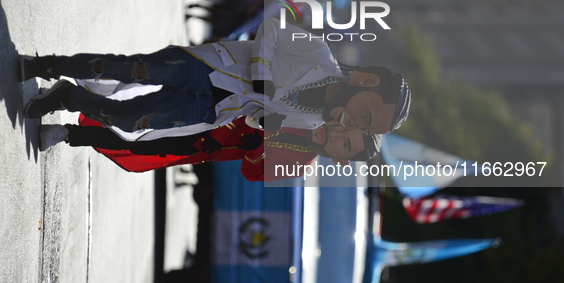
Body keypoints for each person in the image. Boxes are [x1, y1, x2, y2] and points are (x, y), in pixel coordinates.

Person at [19, 18, 411, 140]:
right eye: (368, 115)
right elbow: (273, 25)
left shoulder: (316, 121)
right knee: (132, 69)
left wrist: (263, 122)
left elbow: (261, 115)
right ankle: (52, 65)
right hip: (211, 65)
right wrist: (261, 73)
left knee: (128, 121)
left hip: (214, 107)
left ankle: (66, 97)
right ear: (367, 84)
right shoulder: (319, 55)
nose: (358, 124)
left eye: (366, 128)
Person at [39, 115, 381, 182]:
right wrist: (237, 129)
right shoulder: (310, 115)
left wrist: (252, 152)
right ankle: (75, 93)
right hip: (210, 114)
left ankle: (68, 133)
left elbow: (252, 174)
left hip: (203, 147)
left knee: (141, 144)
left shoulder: (301, 164)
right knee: (140, 112)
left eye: (347, 146)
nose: (341, 137)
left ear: (341, 158)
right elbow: (258, 105)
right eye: (348, 134)